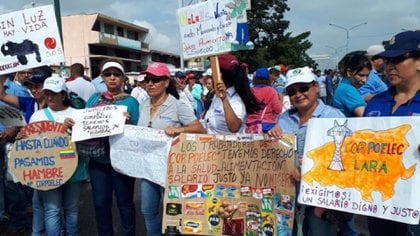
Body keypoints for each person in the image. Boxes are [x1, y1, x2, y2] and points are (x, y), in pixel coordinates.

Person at [267, 66, 346, 236]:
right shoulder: (283, 118)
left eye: (303, 88)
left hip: (321, 196)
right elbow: (276, 155)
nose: (298, 94)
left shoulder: (334, 117)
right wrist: (274, 135)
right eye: (292, 91)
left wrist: (312, 166)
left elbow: (346, 156)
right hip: (289, 194)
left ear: (316, 87)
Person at [137, 62, 205, 235]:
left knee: (173, 215)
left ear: (166, 82)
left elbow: (199, 129)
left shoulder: (178, 105)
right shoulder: (143, 104)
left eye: (155, 79)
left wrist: (179, 129)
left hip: (172, 171)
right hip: (148, 169)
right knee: (148, 210)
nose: (150, 83)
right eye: (147, 79)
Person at [364, 30, 420, 236]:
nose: (390, 66)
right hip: (381, 203)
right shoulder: (377, 102)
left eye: (398, 58)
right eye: (388, 60)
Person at [76, 59, 139, 236]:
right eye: (108, 74)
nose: (112, 78)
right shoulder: (93, 99)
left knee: (125, 203)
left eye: (117, 74)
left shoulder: (132, 102)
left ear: (123, 78)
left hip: (123, 161)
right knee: (101, 204)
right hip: (98, 162)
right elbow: (85, 124)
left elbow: (138, 130)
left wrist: (128, 122)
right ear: (102, 77)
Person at [28, 75, 81, 236]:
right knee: (52, 209)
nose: (49, 97)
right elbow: (31, 145)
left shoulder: (77, 114)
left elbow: (86, 141)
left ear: (63, 95)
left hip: (73, 168)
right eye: (47, 93)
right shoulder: (37, 116)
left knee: (72, 209)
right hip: (48, 169)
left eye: (54, 93)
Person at [204, 53, 260, 134]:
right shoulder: (217, 95)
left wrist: (225, 100)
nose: (212, 75)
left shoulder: (236, 100)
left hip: (227, 145)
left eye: (213, 72)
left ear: (219, 75)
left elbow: (234, 127)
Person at [333, 51, 371, 117]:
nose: (364, 80)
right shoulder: (348, 89)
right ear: (349, 72)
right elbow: (365, 116)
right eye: (361, 75)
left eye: (367, 75)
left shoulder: (345, 86)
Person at [246, 68, 281, 133]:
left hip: (251, 126)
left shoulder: (250, 91)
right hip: (268, 126)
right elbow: (278, 109)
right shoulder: (271, 91)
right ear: (268, 78)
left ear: (255, 78)